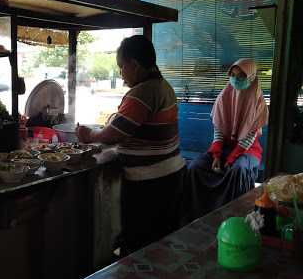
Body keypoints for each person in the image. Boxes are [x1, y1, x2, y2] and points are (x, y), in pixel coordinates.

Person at [76, 35, 185, 254]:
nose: (121, 73)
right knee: (160, 240)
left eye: (121, 67)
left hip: (152, 183)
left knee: (139, 241)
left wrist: (90, 135)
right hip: (169, 176)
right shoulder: (163, 86)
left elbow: (114, 134)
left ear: (134, 65)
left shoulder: (144, 92)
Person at [186, 58, 269, 220]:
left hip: (248, 150)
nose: (235, 79)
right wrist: (216, 155)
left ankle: (230, 215)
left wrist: (230, 160)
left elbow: (249, 138)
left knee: (237, 170)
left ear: (251, 78)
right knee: (195, 167)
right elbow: (218, 130)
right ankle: (196, 214)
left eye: (241, 76)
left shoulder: (259, 103)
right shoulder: (223, 97)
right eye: (232, 75)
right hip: (223, 147)